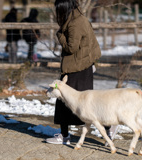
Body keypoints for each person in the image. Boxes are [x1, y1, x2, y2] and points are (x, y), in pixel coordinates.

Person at [46, 0, 113, 145]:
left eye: (59, 9)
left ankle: (109, 126)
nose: (57, 13)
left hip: (78, 68)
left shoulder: (75, 23)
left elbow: (71, 48)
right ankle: (65, 136)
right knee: (67, 102)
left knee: (82, 104)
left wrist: (60, 35)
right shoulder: (76, 18)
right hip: (80, 66)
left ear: (65, 8)